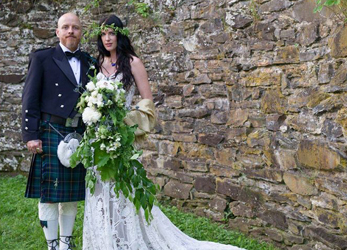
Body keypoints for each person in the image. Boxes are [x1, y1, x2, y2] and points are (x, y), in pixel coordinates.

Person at [82, 15, 244, 250]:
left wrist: (124, 124)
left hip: (122, 138)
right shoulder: (96, 63)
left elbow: (147, 103)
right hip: (99, 139)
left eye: (112, 33)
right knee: (99, 189)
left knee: (124, 190)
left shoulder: (133, 62)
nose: (107, 38)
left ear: (120, 35)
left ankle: (129, 240)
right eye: (103, 34)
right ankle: (105, 241)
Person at [22, 13, 94, 250]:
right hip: (50, 130)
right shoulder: (42, 58)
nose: (71, 31)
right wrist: (31, 135)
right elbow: (29, 98)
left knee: (71, 193)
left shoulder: (90, 62)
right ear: (57, 32)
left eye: (75, 27)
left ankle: (66, 241)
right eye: (66, 27)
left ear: (81, 32)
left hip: (77, 134)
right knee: (49, 192)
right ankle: (51, 243)